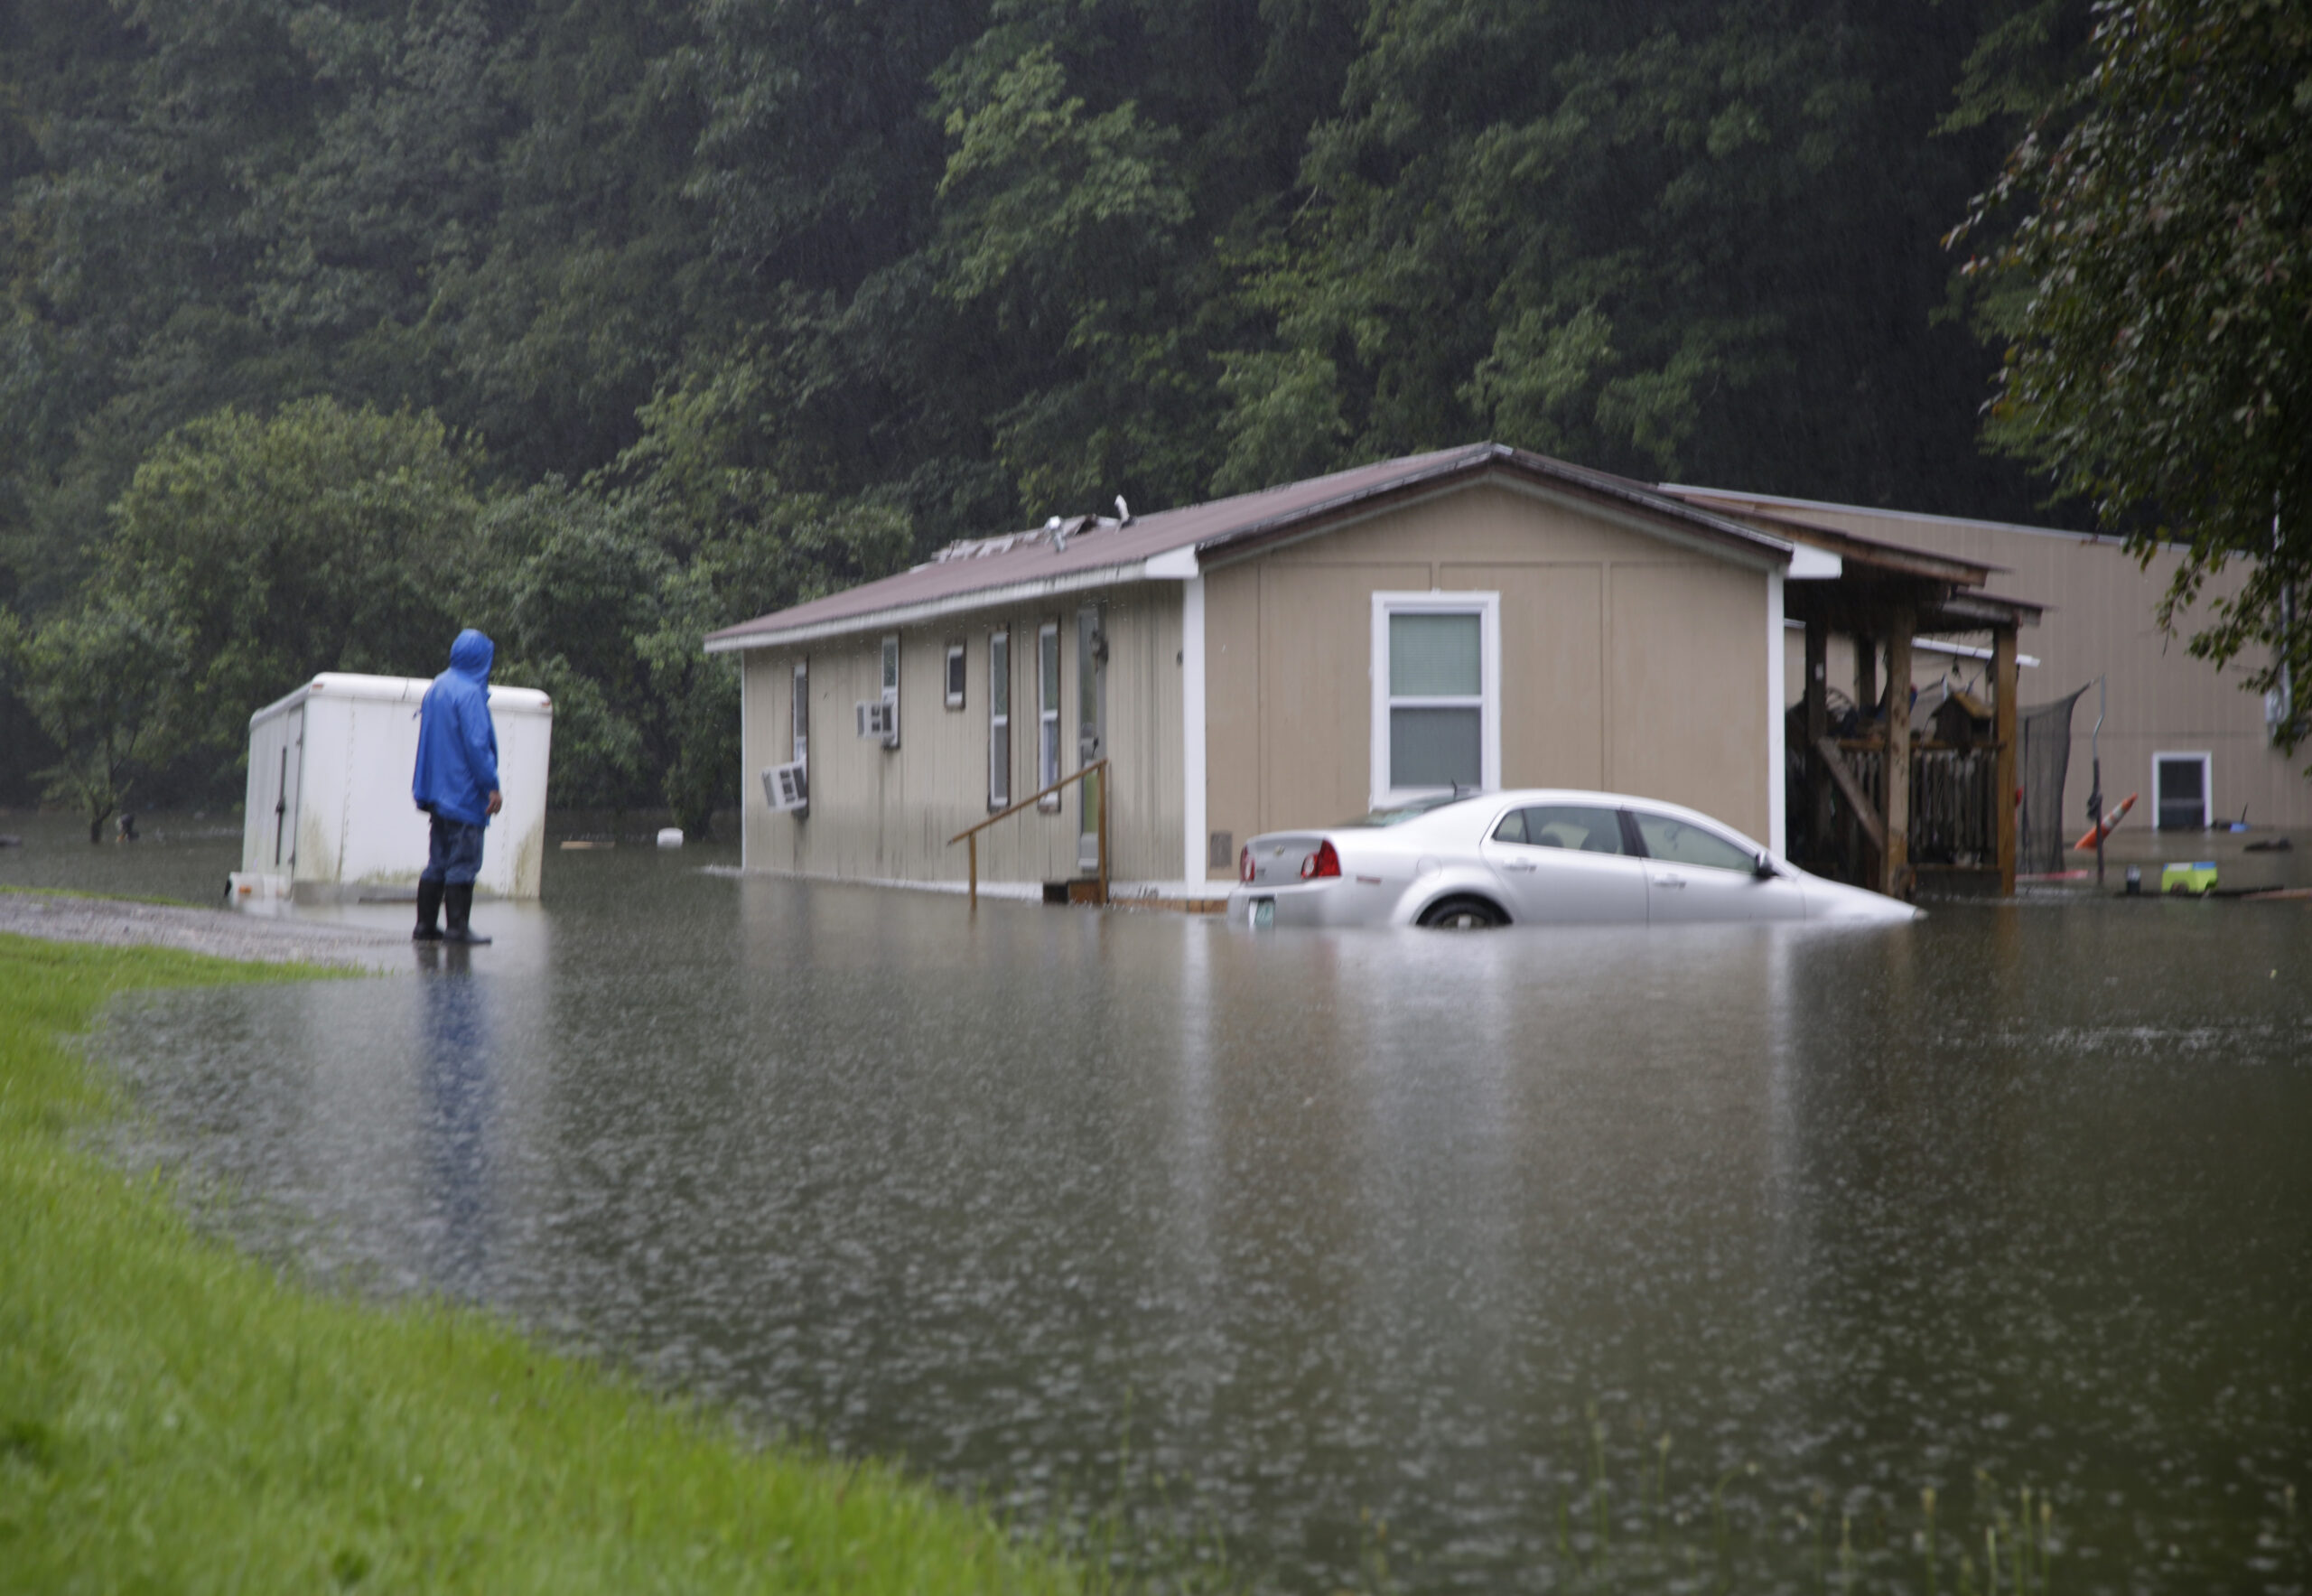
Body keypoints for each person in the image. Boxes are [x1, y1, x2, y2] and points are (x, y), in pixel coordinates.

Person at [411, 629, 502, 945]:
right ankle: (457, 928)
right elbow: (477, 745)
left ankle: (424, 926)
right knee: (463, 862)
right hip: (464, 794)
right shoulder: (470, 693)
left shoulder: (437, 686)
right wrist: (491, 786)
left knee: (438, 860)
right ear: (480, 659)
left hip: (437, 793)